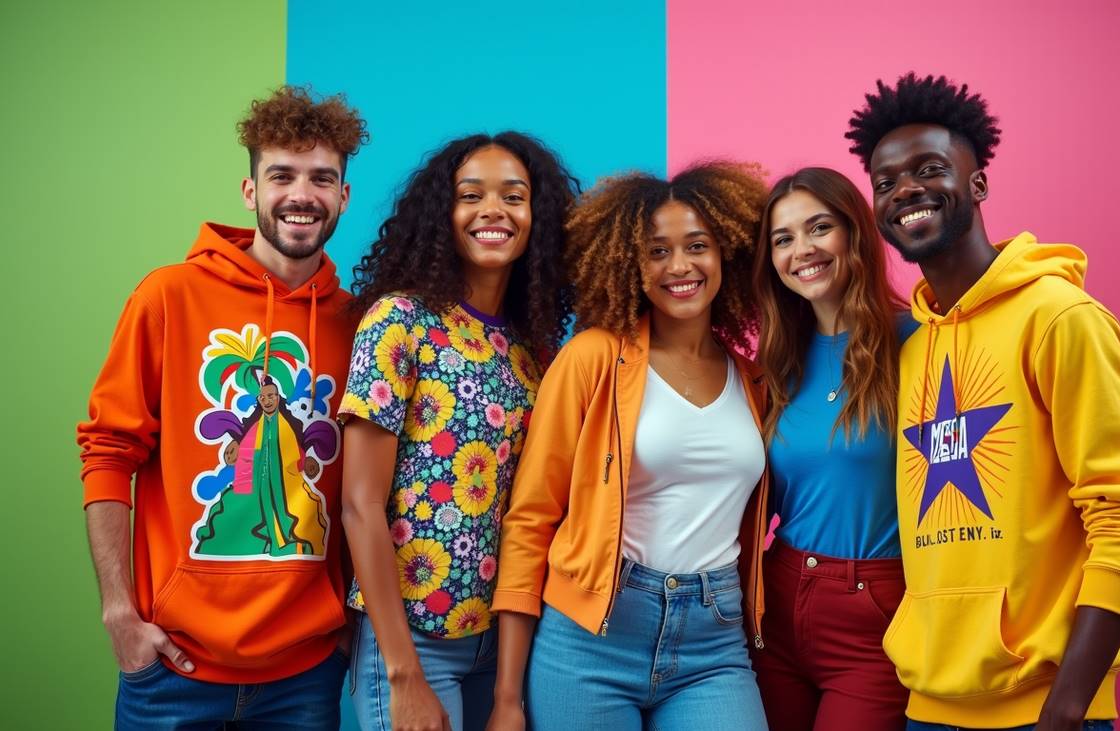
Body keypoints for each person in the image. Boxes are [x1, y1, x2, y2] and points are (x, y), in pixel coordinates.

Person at [846, 72, 1120, 731]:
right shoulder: (911, 349)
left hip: (1046, 708)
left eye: (928, 168)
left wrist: (1069, 706)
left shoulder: (1061, 318)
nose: (905, 189)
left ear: (978, 183)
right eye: (886, 182)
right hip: (929, 706)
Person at [77, 85, 368, 729]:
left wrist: (347, 621)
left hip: (306, 675)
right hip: (174, 671)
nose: (302, 194)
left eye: (323, 178)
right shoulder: (168, 296)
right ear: (250, 191)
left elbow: (367, 488)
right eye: (282, 175)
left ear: (343, 196)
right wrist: (118, 614)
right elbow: (107, 452)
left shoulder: (359, 326)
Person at [487, 162, 771, 731]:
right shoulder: (593, 358)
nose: (681, 266)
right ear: (628, 264)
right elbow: (531, 517)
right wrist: (506, 697)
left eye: (698, 246)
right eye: (657, 251)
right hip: (591, 635)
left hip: (713, 642)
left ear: (728, 255)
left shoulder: (754, 381)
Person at [339, 132, 576, 731]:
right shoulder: (400, 322)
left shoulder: (533, 353)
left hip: (499, 650)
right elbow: (360, 505)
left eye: (514, 197)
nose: (493, 210)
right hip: (412, 641)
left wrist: (508, 694)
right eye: (471, 195)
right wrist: (403, 674)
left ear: (537, 219)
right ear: (442, 215)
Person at [750, 167, 914, 731]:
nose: (803, 250)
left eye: (819, 228)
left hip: (877, 612)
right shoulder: (775, 363)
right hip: (776, 603)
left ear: (855, 234)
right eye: (783, 238)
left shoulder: (916, 342)